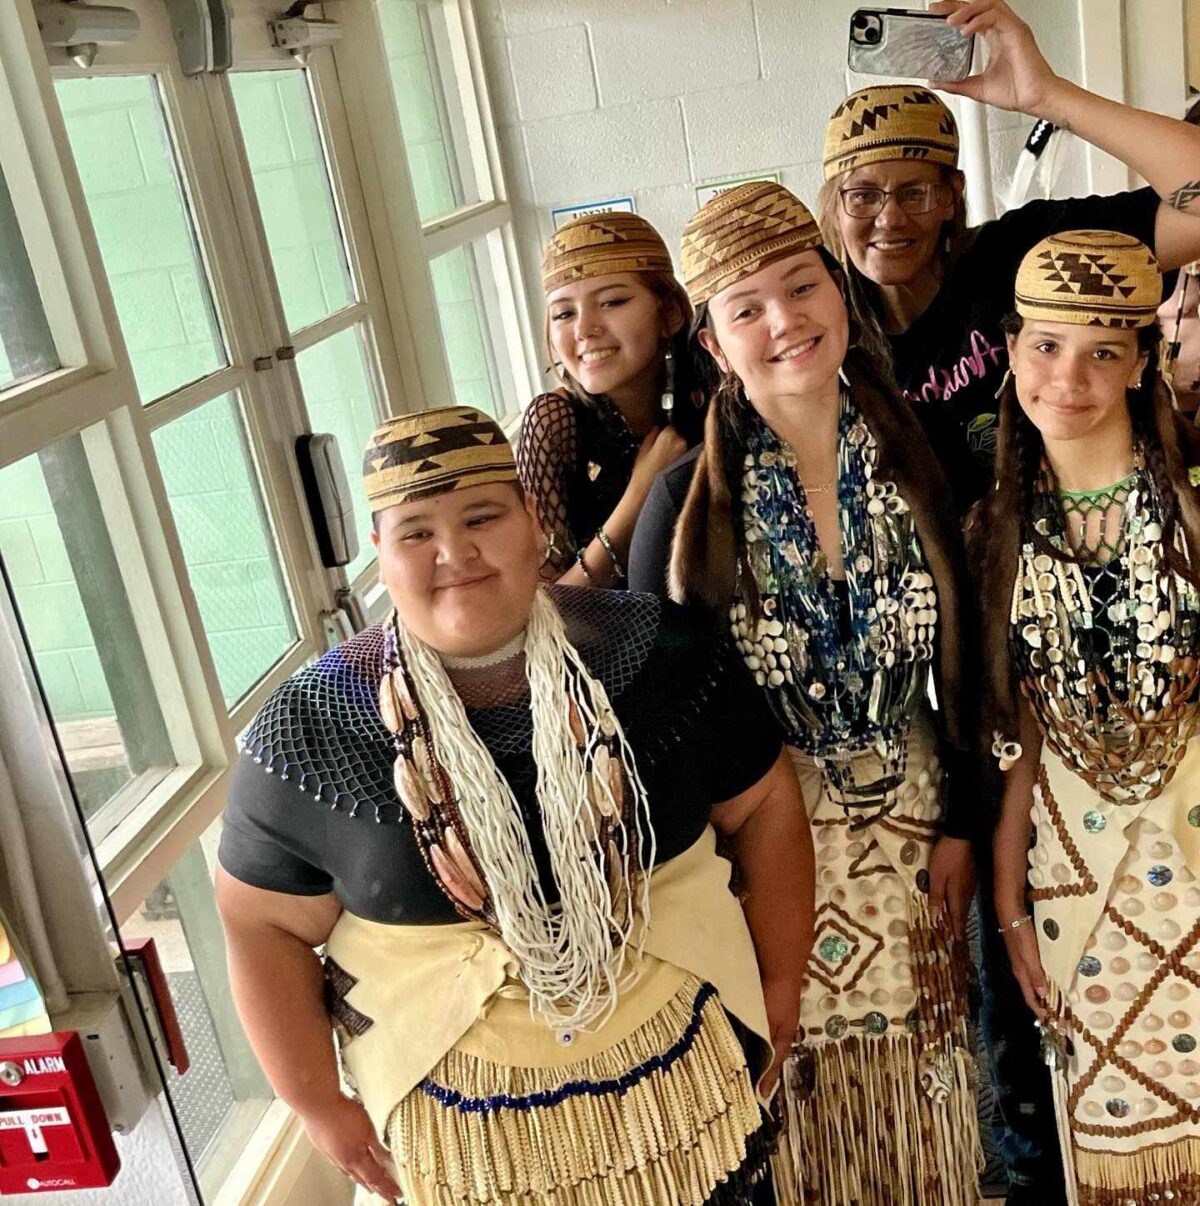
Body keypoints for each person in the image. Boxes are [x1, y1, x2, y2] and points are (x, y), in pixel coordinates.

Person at [215, 405, 815, 1205]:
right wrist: (316, 1102)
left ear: (535, 523)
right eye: (416, 531)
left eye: (482, 517)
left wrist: (779, 988)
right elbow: (259, 922)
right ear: (379, 554)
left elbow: (766, 806)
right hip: (468, 1147)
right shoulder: (309, 729)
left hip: (687, 1101)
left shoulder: (668, 656)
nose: (454, 553)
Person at [629, 182, 981, 1205]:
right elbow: (667, 710)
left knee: (928, 1099)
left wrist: (964, 816)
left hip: (917, 831)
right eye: (747, 307)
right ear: (712, 343)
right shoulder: (684, 500)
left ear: (839, 287)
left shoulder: (920, 453)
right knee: (798, 1100)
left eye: (800, 285)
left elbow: (968, 655)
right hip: (770, 846)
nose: (785, 321)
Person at [973, 230, 1200, 1205]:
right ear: (1014, 353)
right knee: (1110, 1142)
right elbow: (1016, 738)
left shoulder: (1192, 517)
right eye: (1048, 346)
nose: (1069, 375)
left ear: (1143, 362)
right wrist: (1012, 904)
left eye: (1104, 350)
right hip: (1072, 876)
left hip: (1191, 856)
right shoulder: (998, 529)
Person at [819, 0, 1200, 509]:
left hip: (1064, 550)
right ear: (833, 204)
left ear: (952, 195)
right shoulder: (822, 324)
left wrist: (1047, 96)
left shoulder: (1020, 255)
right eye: (863, 194)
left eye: (916, 193)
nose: (890, 219)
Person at [517, 212, 701, 587]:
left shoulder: (711, 394)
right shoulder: (553, 423)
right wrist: (643, 492)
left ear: (669, 312)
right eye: (564, 313)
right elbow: (547, 610)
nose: (584, 329)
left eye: (612, 302)